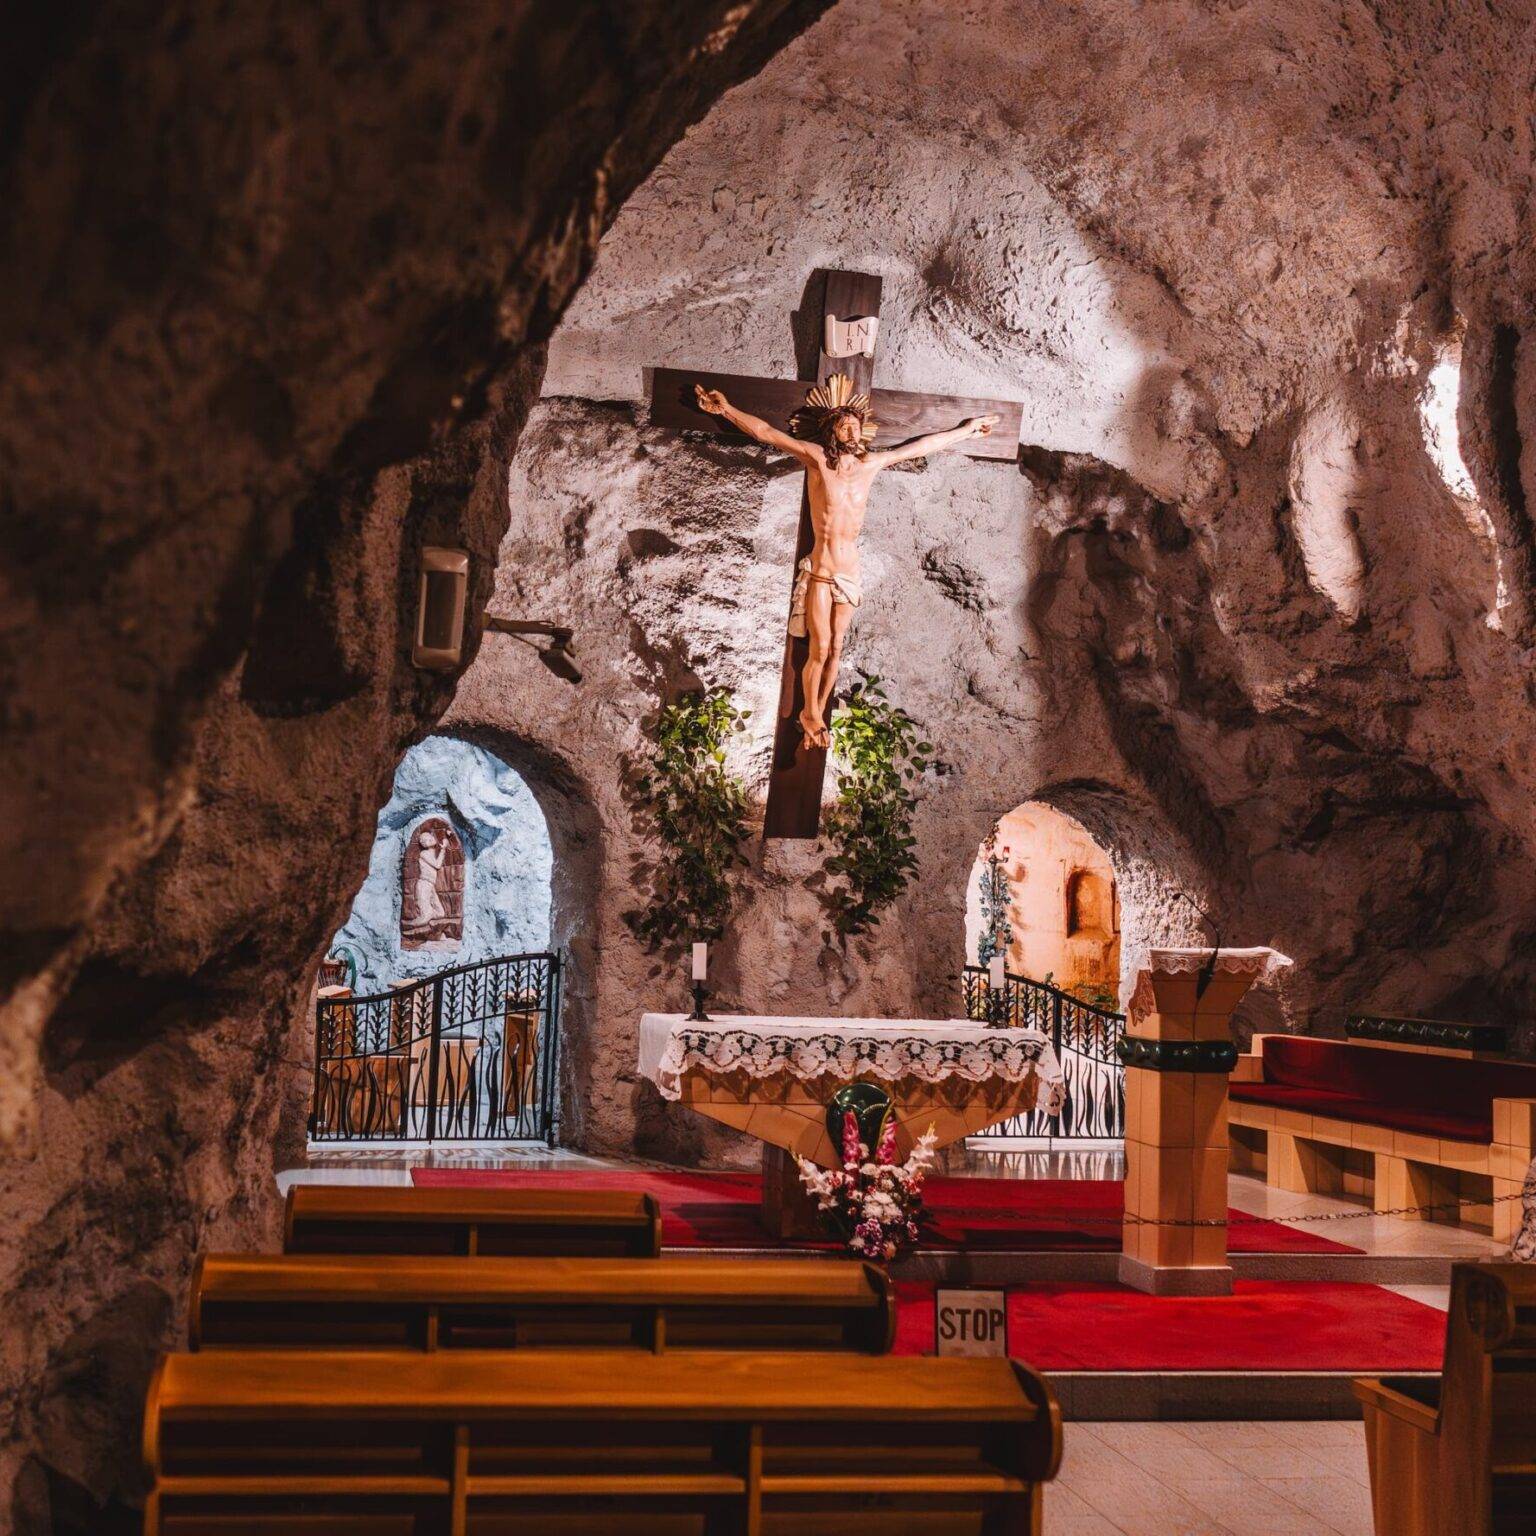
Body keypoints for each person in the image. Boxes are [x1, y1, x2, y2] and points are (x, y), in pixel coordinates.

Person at [695, 374, 997, 746]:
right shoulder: (817, 459)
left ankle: (815, 713)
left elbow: (920, 447)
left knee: (838, 648)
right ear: (833, 433)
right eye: (844, 427)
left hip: (850, 570)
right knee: (819, 647)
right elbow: (768, 433)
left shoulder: (871, 463)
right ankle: (811, 712)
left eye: (855, 426)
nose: (852, 432)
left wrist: (967, 431)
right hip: (822, 569)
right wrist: (726, 410)